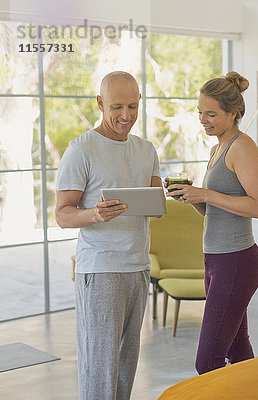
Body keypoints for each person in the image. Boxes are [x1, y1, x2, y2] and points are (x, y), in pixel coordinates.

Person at [55, 71, 164, 400]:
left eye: (133, 106)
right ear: (100, 103)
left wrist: (160, 203)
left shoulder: (147, 150)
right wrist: (94, 214)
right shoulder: (81, 150)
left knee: (125, 364)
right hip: (101, 270)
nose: (126, 115)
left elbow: (156, 206)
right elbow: (62, 213)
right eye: (117, 106)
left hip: (138, 267)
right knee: (100, 367)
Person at [166, 71, 258, 374]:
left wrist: (207, 193)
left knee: (208, 361)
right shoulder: (216, 150)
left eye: (211, 114)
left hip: (236, 261)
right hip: (216, 260)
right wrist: (192, 196)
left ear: (233, 113)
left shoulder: (243, 147)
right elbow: (216, 209)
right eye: (200, 112)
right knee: (238, 351)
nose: (203, 119)